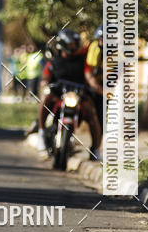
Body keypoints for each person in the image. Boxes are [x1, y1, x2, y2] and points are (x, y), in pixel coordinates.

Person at [36, 28, 102, 160]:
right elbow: (45, 78)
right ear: (63, 44)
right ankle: (41, 134)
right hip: (58, 96)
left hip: (78, 96)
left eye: (75, 44)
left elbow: (90, 77)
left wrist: (99, 88)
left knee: (92, 114)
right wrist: (45, 84)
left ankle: (95, 149)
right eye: (71, 44)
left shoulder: (82, 62)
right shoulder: (53, 62)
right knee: (45, 100)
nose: (74, 47)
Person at [85, 25, 104, 131]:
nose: (102, 42)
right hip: (93, 84)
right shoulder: (94, 47)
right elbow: (89, 69)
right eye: (100, 39)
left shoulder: (118, 51)